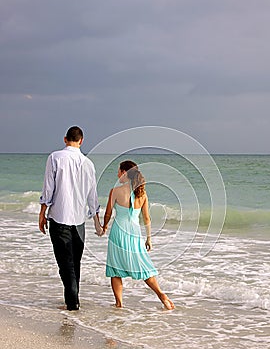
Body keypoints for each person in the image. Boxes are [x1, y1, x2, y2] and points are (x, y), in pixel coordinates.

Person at [39, 126, 101, 311]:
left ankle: (72, 303)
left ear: (65, 139)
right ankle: (74, 299)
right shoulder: (88, 164)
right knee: (75, 263)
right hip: (79, 222)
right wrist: (97, 222)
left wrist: (42, 213)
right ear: (81, 141)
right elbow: (93, 196)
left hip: (60, 218)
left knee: (65, 264)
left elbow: (48, 189)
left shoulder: (55, 157)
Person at [101, 160, 175, 310]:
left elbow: (108, 213)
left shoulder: (115, 191)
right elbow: (147, 218)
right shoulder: (142, 193)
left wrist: (105, 226)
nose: (117, 175)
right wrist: (149, 238)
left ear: (124, 173)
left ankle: (119, 304)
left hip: (118, 233)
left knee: (115, 270)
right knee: (143, 267)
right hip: (135, 234)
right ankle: (161, 295)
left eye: (119, 171)